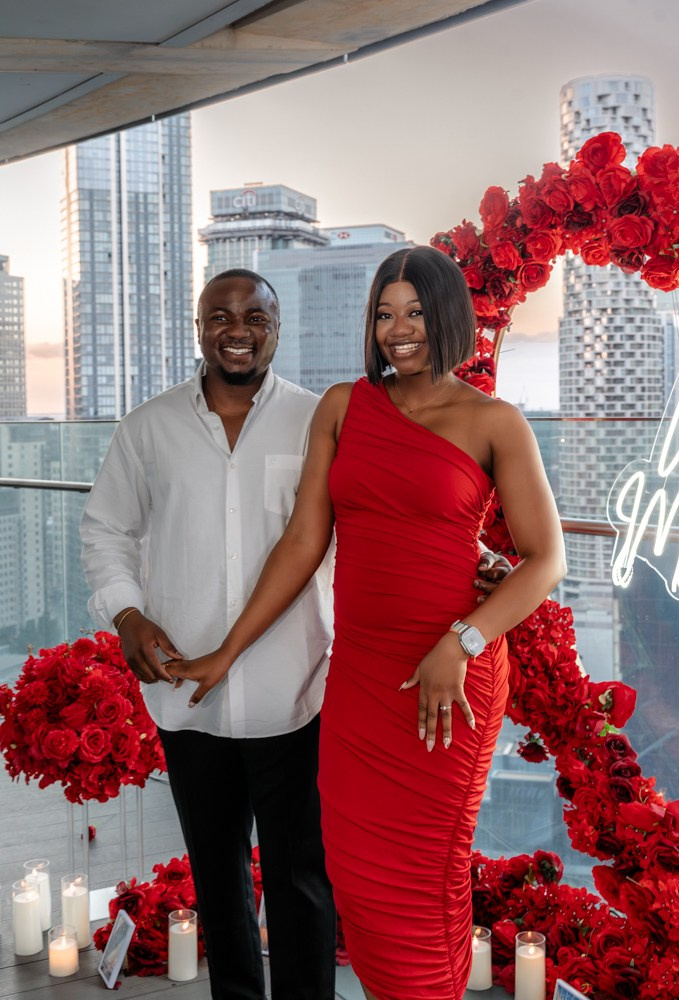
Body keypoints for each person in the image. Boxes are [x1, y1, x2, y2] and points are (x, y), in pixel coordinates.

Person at [168, 247, 566, 1000]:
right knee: (353, 877)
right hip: (358, 679)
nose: (398, 329)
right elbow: (302, 541)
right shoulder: (344, 406)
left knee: (425, 882)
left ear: (448, 316)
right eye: (385, 314)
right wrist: (227, 651)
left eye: (415, 311)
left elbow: (545, 560)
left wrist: (462, 641)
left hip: (448, 679)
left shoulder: (495, 421)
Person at [80, 269, 337, 1000]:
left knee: (302, 880)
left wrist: (473, 558)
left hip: (296, 693)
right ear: (198, 328)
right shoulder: (147, 427)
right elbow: (105, 529)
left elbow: (374, 521)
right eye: (220, 316)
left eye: (255, 316)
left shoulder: (317, 421)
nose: (237, 330)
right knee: (217, 880)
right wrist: (126, 613)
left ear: (276, 329)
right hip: (186, 696)